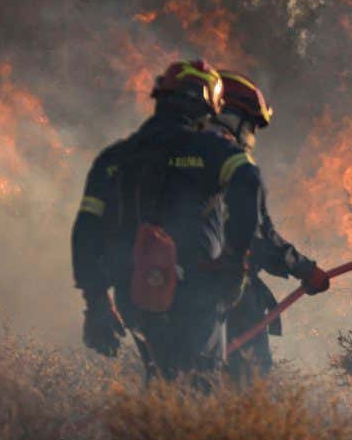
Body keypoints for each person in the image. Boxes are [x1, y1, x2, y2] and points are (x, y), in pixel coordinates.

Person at [71, 59, 262, 381]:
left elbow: (86, 231)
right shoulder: (213, 151)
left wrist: (97, 303)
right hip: (198, 290)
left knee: (160, 377)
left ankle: (156, 428)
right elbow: (249, 184)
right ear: (206, 105)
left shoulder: (115, 157)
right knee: (197, 382)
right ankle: (179, 429)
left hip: (135, 292)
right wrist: (233, 263)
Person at [208, 70, 329, 378]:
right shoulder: (231, 162)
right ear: (231, 117)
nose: (251, 135)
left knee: (180, 380)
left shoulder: (169, 156)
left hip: (165, 290)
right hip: (227, 289)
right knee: (248, 377)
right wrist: (304, 269)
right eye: (250, 125)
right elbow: (258, 236)